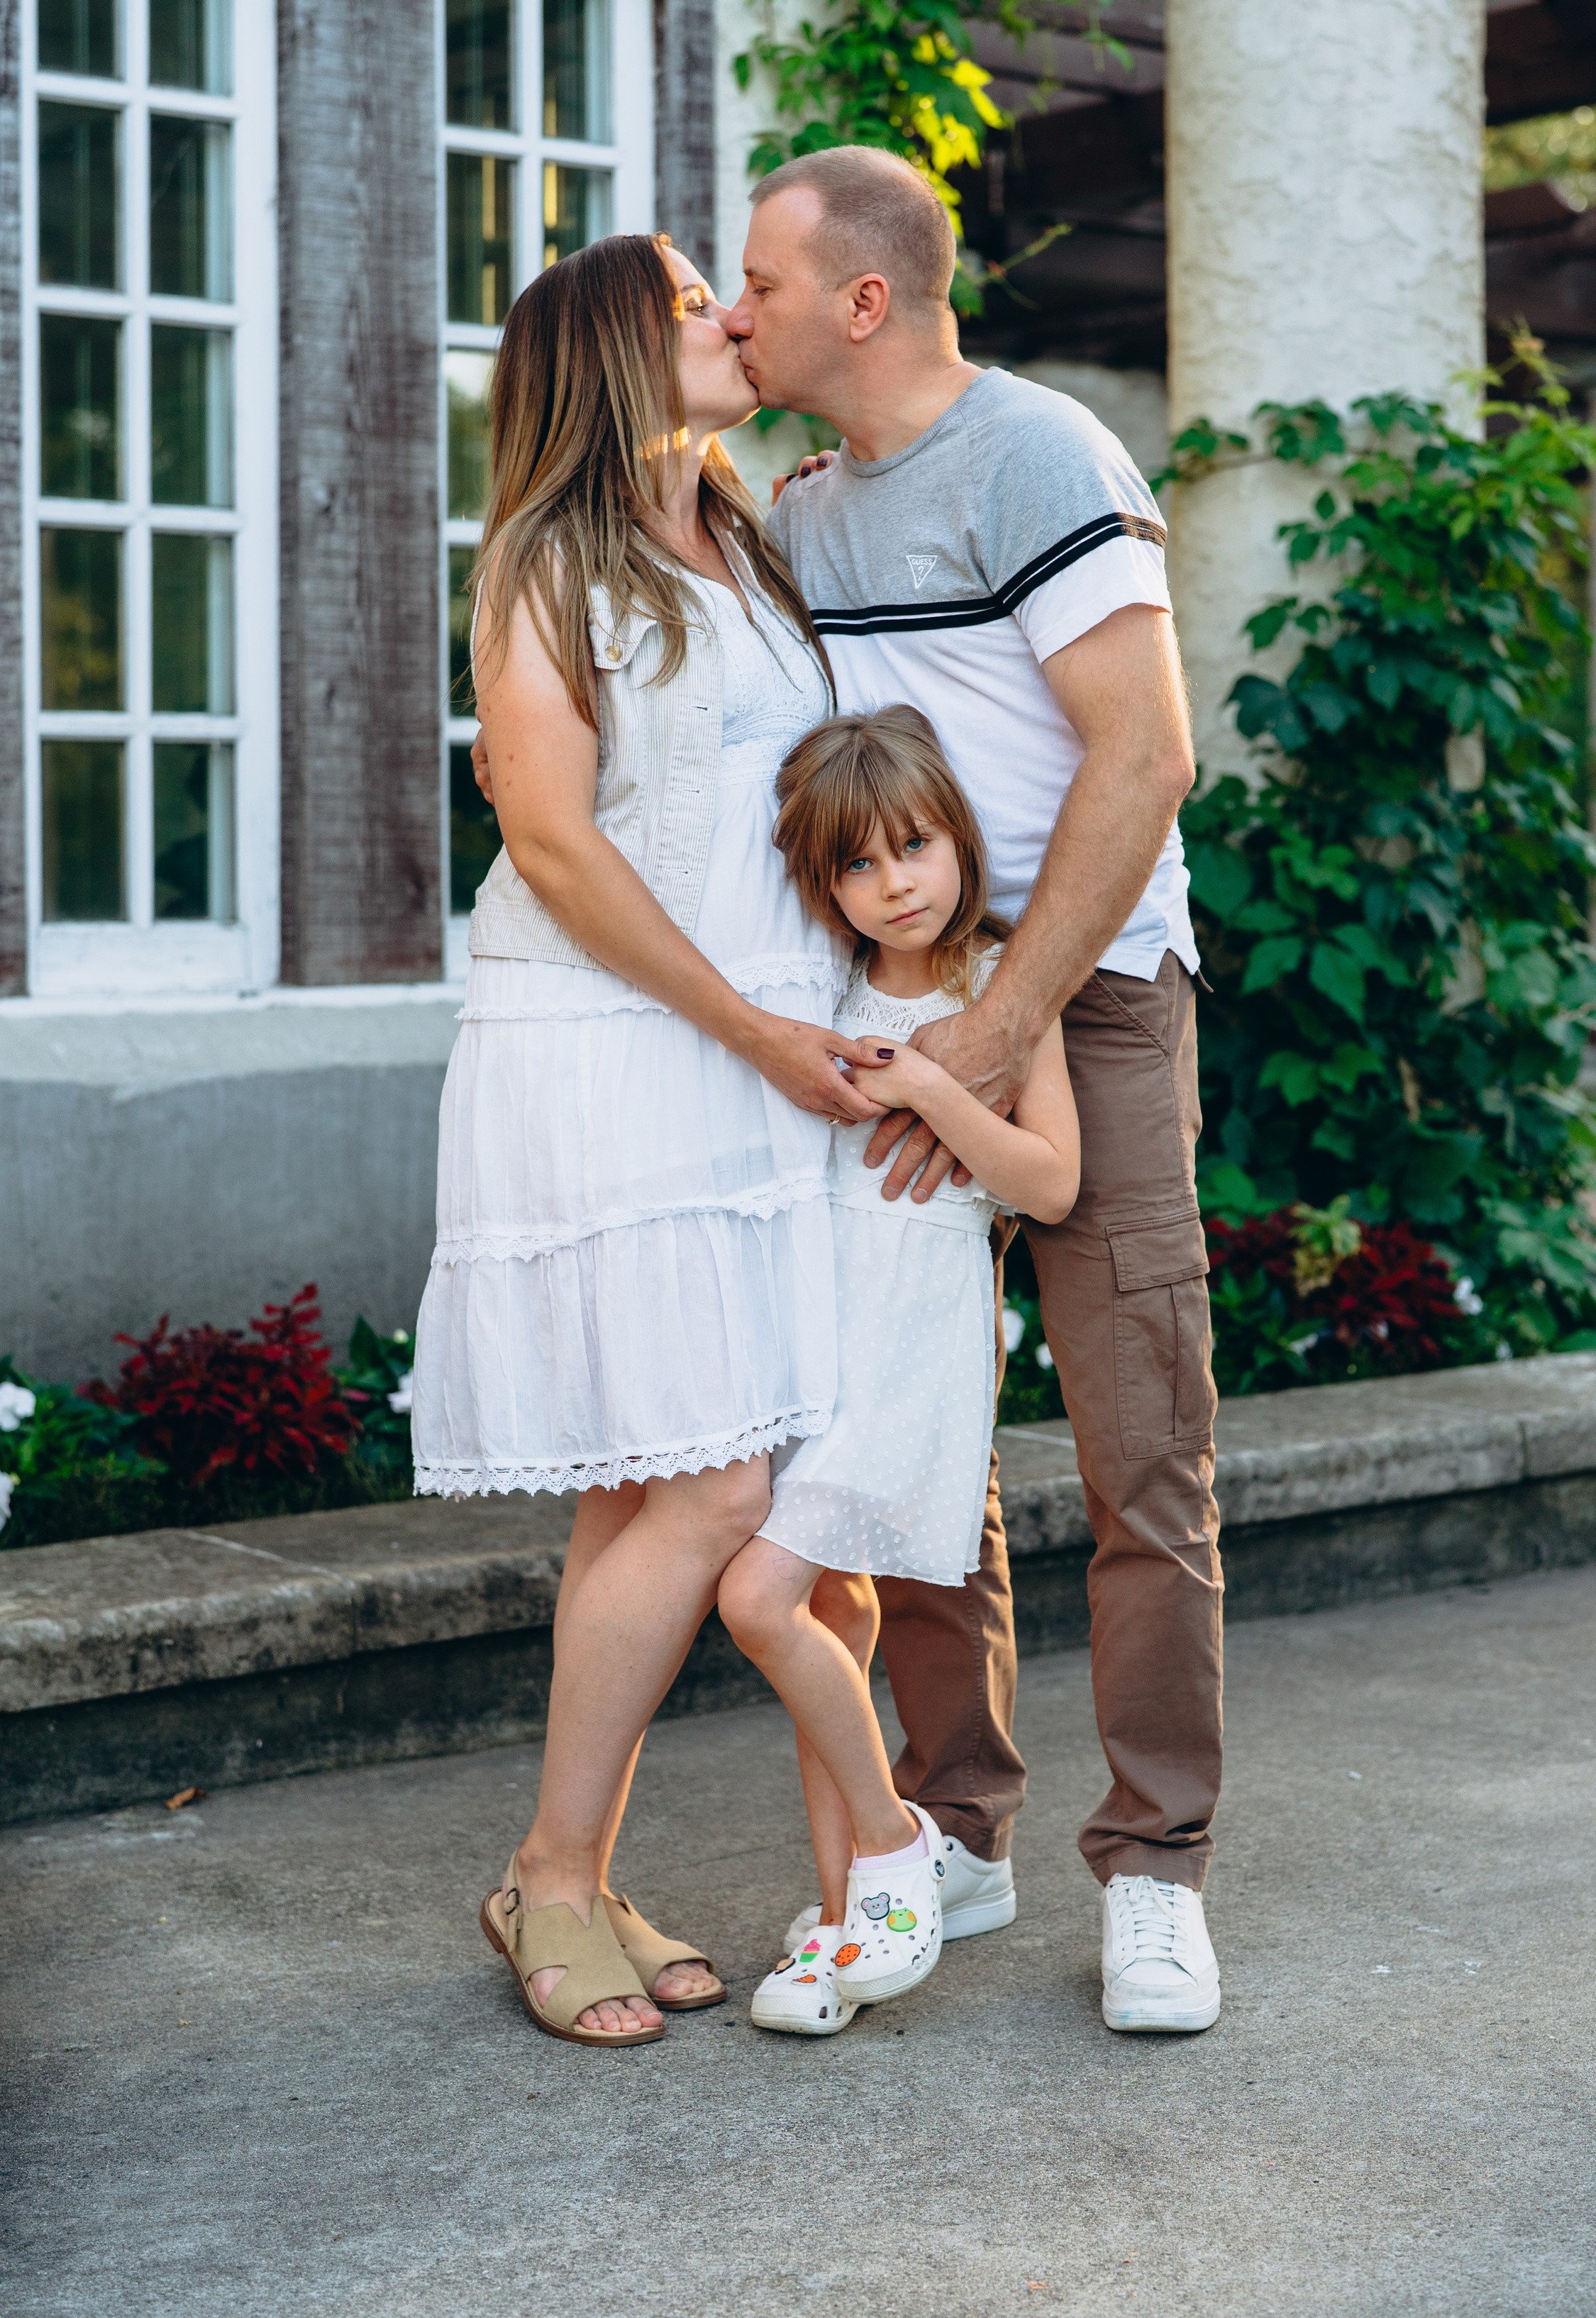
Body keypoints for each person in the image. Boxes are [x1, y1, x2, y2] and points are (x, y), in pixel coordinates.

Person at [736, 145, 1223, 2036]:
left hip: (1077, 1007)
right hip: (908, 1017)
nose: (735, 314)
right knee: (917, 1431)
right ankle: (961, 1827)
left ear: (864, 300)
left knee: (1140, 1451)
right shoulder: (807, 513)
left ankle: (1161, 1868)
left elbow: (1143, 760)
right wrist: (902, 1029)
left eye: (761, 283)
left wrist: (996, 1034)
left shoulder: (1043, 456)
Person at [413, 231, 880, 2046]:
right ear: (616, 347)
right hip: (613, 1047)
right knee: (716, 1489)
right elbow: (552, 843)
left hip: (763, 1051)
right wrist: (759, 1028)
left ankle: (580, 1874)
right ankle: (545, 1870)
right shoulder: (544, 560)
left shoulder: (752, 533)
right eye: (695, 299)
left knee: (644, 1479)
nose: (731, 315)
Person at [723, 706, 1080, 2036]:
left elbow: (1049, 1182)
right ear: (827, 888)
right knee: (843, 1619)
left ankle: (892, 1849)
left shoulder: (1002, 985)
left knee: (760, 1599)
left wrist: (935, 1087)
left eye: (915, 846)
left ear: (957, 837)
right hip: (815, 1342)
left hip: (914, 1351)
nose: (897, 884)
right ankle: (839, 1930)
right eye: (860, 868)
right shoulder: (817, 987)